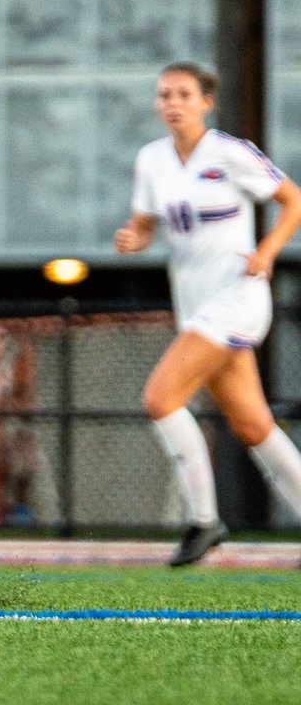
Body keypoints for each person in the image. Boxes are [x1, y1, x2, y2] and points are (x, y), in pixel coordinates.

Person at [115, 61, 301, 566]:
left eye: (183, 94)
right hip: (194, 306)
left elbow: (292, 200)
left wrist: (266, 252)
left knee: (160, 397)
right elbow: (145, 224)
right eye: (164, 95)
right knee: (252, 425)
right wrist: (135, 238)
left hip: (237, 299)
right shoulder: (151, 159)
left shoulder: (229, 152)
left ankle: (204, 519)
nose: (171, 103)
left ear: (206, 102)